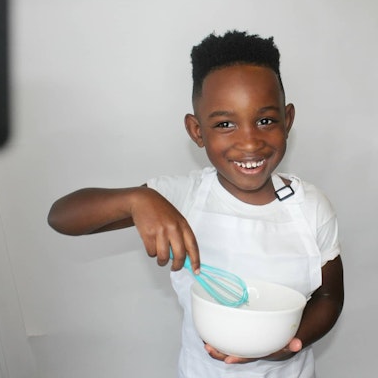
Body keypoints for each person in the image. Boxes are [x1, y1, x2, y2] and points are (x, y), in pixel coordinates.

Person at [48, 30, 344, 378]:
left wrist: (289, 345)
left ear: (287, 119)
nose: (250, 142)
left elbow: (328, 297)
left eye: (265, 120)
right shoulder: (182, 198)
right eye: (225, 124)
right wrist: (136, 199)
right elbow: (61, 217)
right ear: (197, 131)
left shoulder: (310, 207)